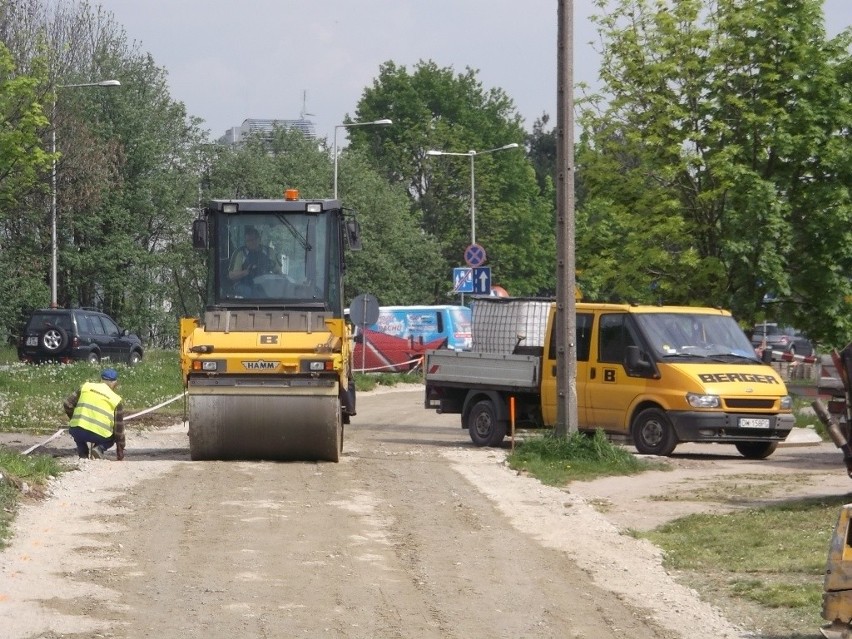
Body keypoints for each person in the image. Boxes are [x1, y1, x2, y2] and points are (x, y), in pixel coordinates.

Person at [64, 368, 125, 460]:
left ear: (100, 380)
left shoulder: (86, 387)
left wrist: (75, 418)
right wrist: (120, 450)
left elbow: (67, 404)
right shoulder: (116, 399)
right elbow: (119, 429)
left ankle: (82, 451)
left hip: (78, 430)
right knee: (112, 436)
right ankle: (100, 448)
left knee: (78, 430)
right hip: (100, 435)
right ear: (115, 383)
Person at [228, 226, 276, 296]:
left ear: (259, 239)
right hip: (243, 284)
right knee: (249, 292)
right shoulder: (240, 253)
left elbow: (278, 271)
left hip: (265, 283)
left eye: (253, 240)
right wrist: (246, 272)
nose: (251, 243)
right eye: (248, 241)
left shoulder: (269, 252)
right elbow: (231, 275)